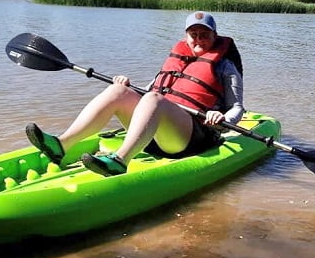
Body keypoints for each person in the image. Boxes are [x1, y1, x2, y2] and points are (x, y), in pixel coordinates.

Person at [25, 11, 244, 177]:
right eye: (193, 34)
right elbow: (152, 91)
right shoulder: (179, 59)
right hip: (157, 134)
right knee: (119, 90)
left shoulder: (225, 66)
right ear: (186, 37)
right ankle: (62, 145)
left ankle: (120, 161)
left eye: (204, 34)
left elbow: (237, 108)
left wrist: (223, 119)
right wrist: (128, 87)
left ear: (215, 36)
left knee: (153, 99)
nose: (198, 39)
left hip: (190, 137)